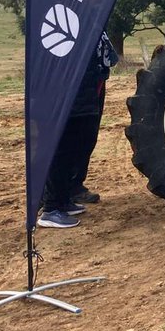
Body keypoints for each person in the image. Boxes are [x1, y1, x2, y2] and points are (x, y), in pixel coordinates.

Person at [38, 33, 119, 228]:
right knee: (62, 150)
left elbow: (110, 57)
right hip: (69, 95)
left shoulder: (91, 22)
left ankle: (63, 199)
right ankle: (50, 208)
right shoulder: (72, 21)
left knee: (76, 148)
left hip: (86, 92)